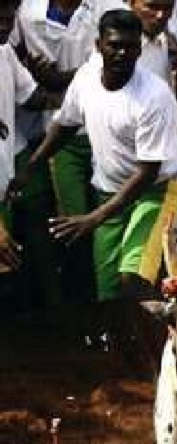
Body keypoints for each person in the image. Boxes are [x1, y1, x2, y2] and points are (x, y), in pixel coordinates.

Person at [14, 9, 177, 371]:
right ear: (99, 45)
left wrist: (92, 218)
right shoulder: (86, 77)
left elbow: (147, 173)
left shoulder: (154, 97)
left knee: (133, 278)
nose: (122, 53)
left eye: (130, 47)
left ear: (139, 49)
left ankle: (163, 362)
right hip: (109, 190)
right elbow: (65, 125)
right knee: (108, 289)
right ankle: (120, 358)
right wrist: (31, 167)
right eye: (114, 45)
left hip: (156, 191)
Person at [15, 0, 128, 310]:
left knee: (110, 218)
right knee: (72, 223)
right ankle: (80, 303)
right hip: (60, 135)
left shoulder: (109, 6)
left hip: (105, 132)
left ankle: (110, 302)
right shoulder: (27, 12)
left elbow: (120, 57)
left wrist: (59, 78)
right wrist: (35, 73)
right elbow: (14, 55)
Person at [0, 0, 59, 279]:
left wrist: (77, 100)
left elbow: (33, 97)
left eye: (8, 20)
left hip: (13, 161)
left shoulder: (5, 53)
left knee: (37, 237)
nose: (4, 27)